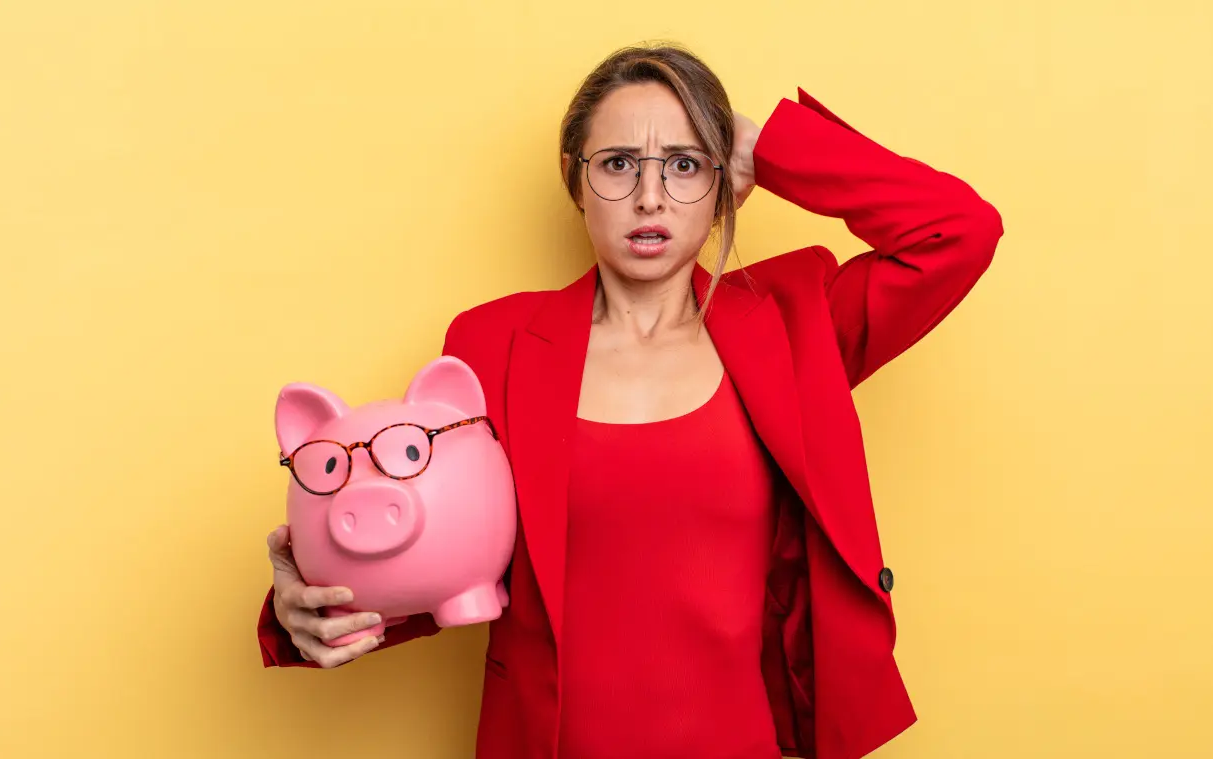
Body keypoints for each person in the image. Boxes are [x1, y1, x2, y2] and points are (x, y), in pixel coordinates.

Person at [256, 43, 1003, 759]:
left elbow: (960, 232)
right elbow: (448, 556)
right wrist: (309, 616)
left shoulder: (795, 324)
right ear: (574, 179)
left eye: (684, 165)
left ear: (722, 181)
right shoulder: (493, 342)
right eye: (618, 164)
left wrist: (770, 145)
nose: (650, 195)